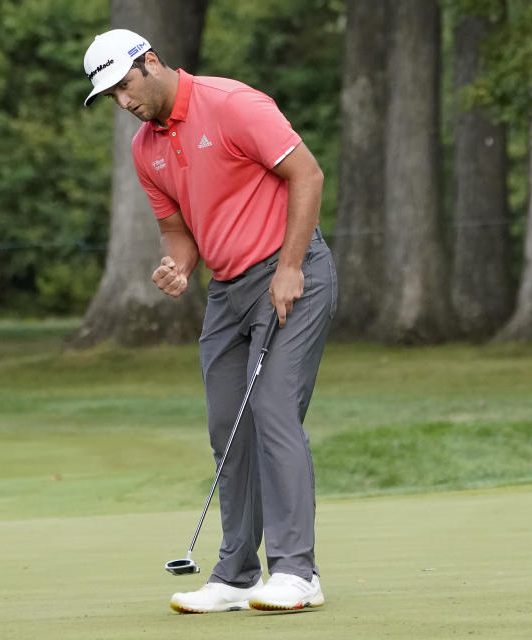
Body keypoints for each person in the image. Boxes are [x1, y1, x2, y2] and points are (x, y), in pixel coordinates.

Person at [83, 29, 336, 614]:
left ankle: (298, 572)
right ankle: (238, 574)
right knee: (228, 427)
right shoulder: (145, 149)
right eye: (111, 97)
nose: (123, 102)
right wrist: (176, 266)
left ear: (151, 63)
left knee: (273, 409)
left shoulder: (232, 103)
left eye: (124, 86)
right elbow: (178, 231)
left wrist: (292, 266)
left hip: (290, 273)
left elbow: (308, 175)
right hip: (226, 291)